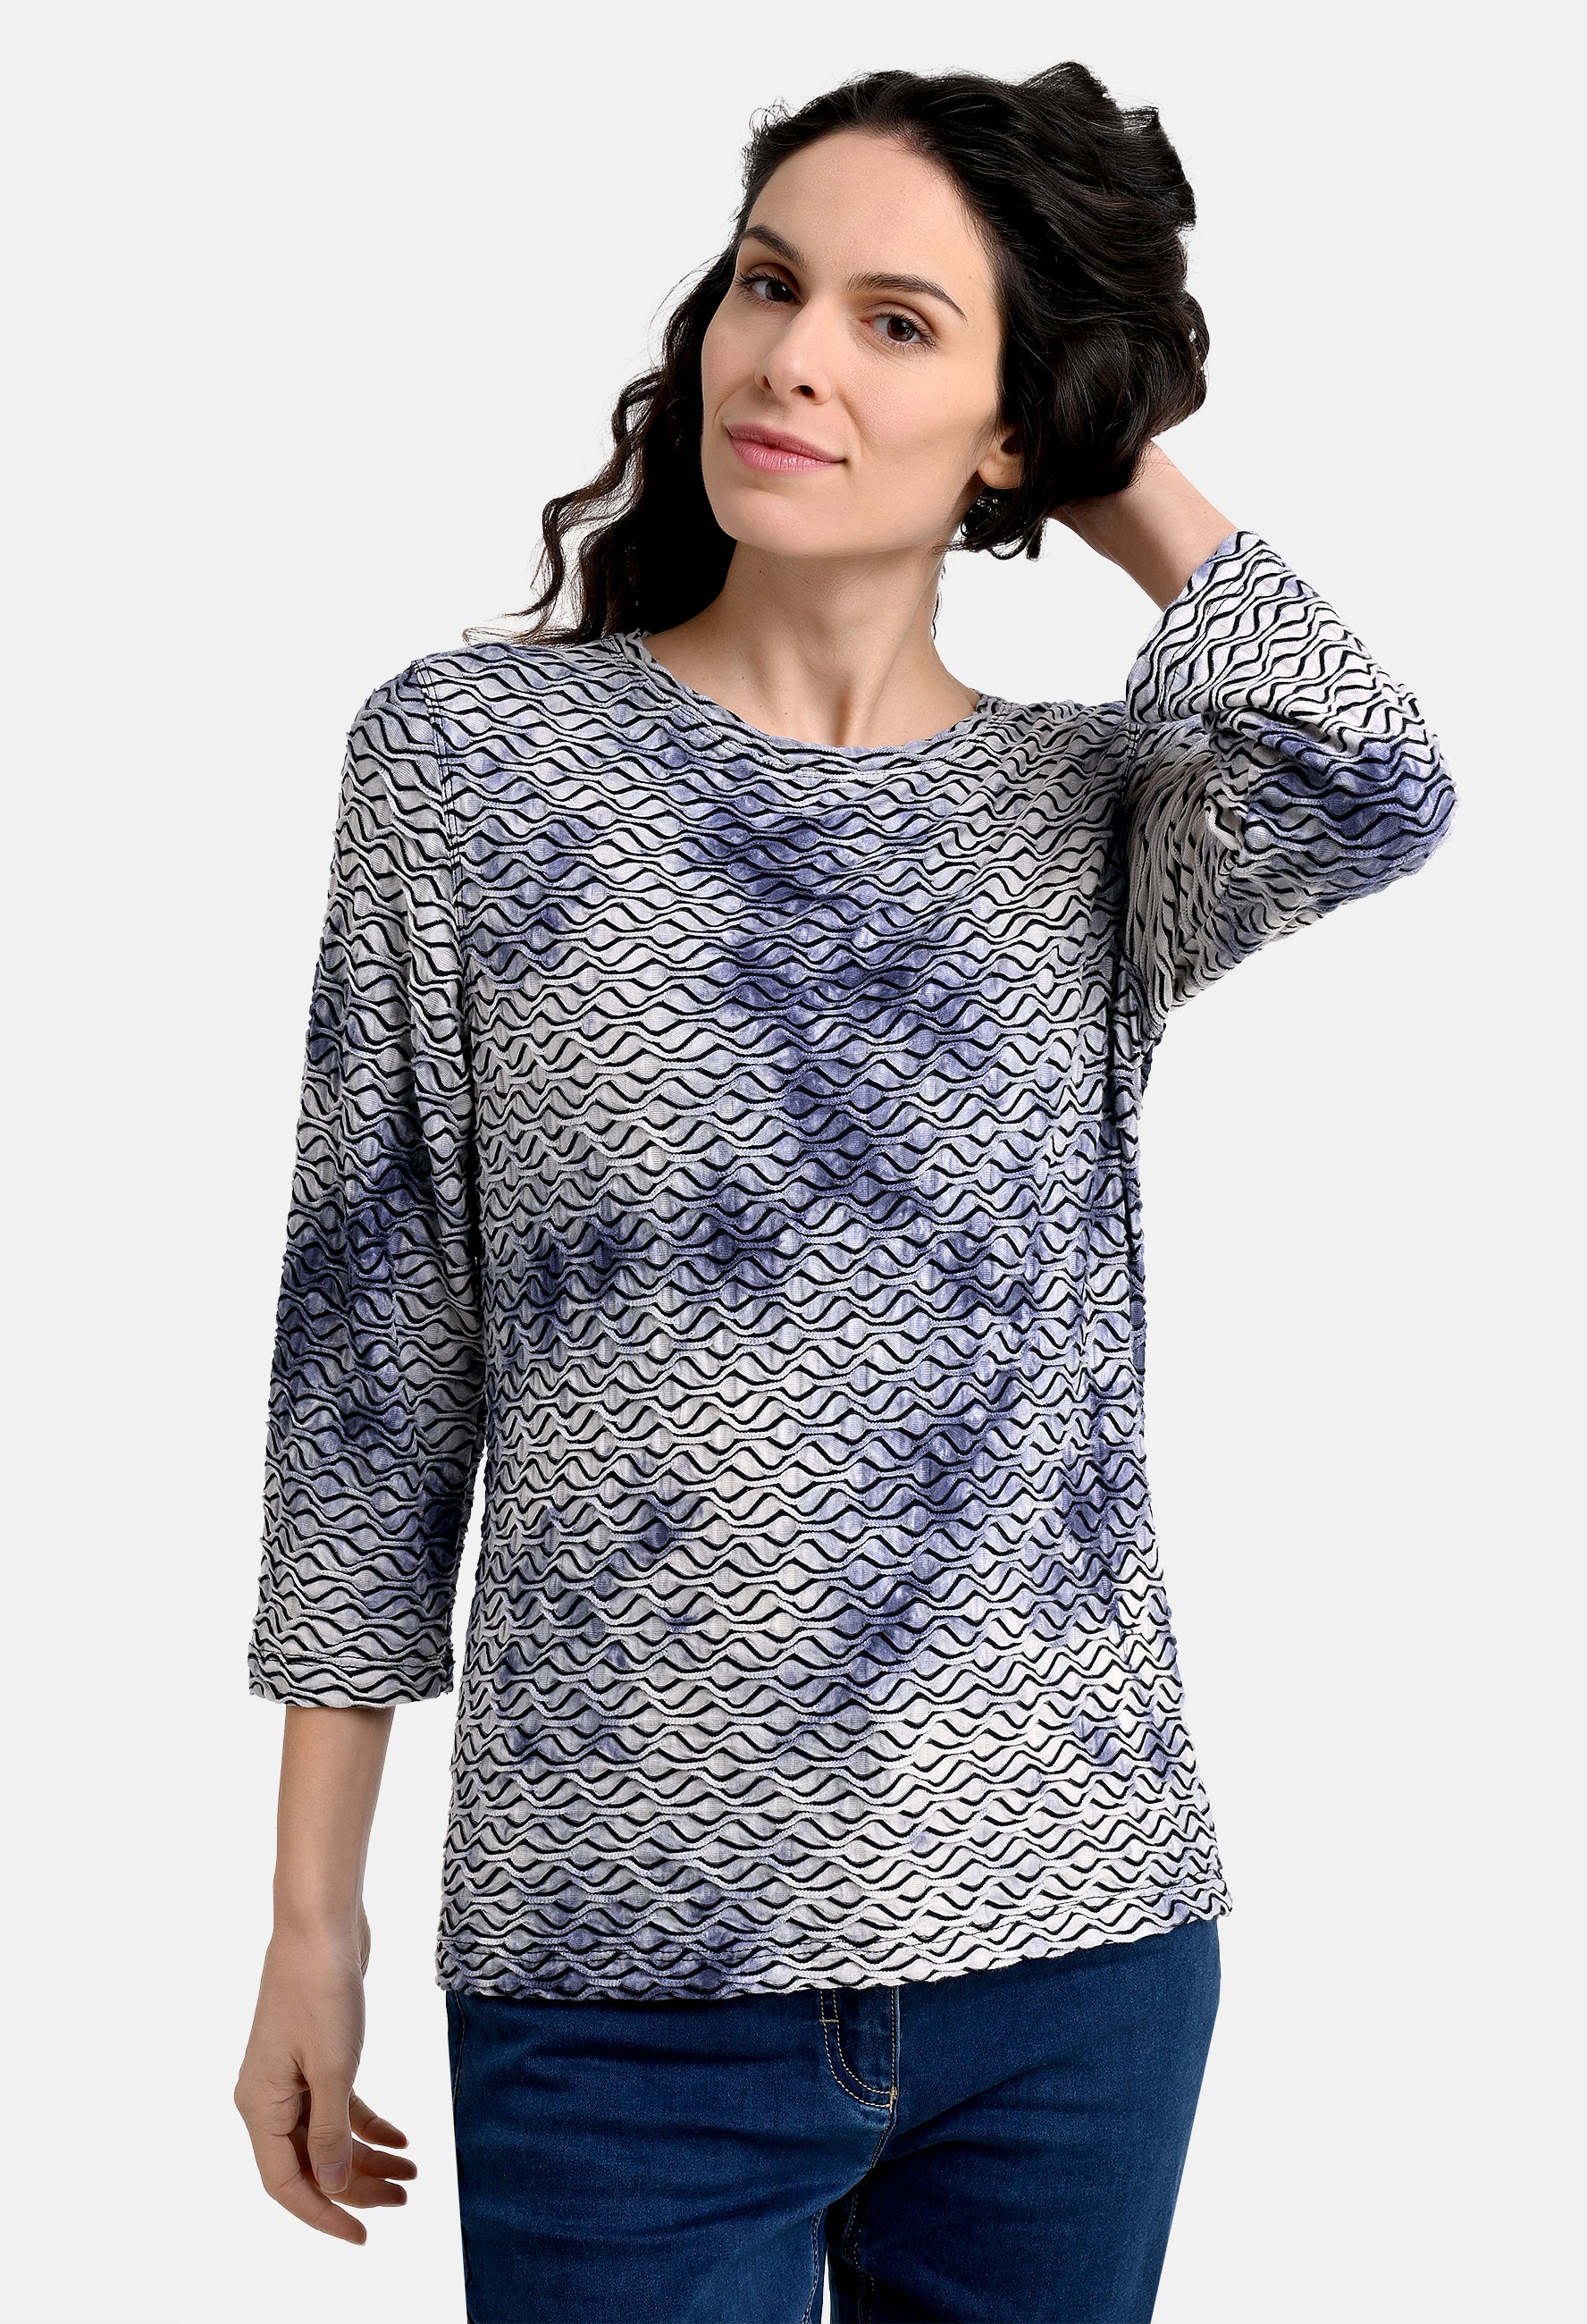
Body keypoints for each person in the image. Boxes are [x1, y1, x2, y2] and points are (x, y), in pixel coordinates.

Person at [234, 61, 1456, 2324]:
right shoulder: (474, 765)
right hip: (617, 1967)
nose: (792, 355)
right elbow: (369, 1380)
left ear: (1017, 430)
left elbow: (1376, 778)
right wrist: (315, 1924)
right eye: (769, 285)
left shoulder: (1098, 808)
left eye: (900, 323)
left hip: (1076, 1953)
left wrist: (1114, 459)